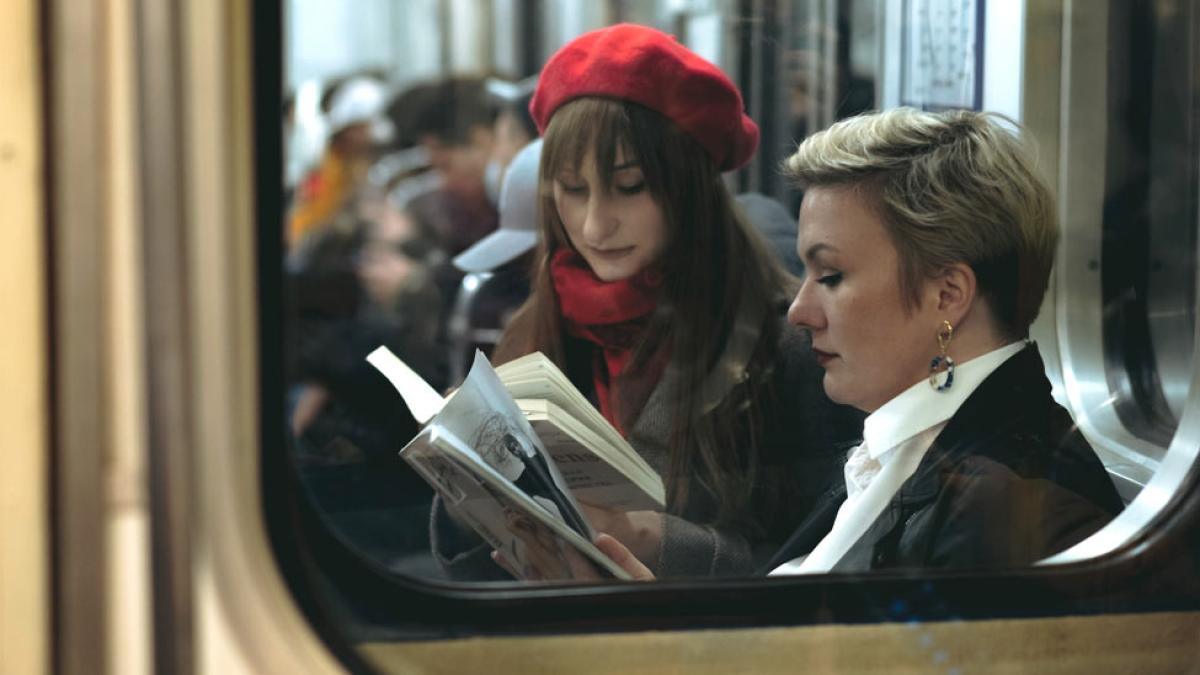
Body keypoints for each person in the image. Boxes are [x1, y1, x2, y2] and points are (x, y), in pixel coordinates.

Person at [522, 107, 1124, 582]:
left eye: (831, 277)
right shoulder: (909, 450)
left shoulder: (1013, 511)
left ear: (948, 295)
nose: (799, 311)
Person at [432, 23, 862, 581]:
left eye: (629, 187)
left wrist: (654, 540)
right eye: (571, 188)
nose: (594, 224)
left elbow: (828, 558)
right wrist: (471, 479)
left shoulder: (788, 343)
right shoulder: (538, 322)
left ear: (688, 187)